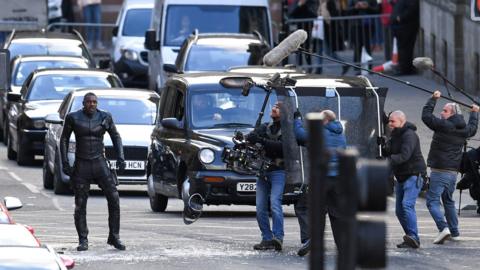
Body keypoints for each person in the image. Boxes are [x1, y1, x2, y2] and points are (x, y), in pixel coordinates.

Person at [60, 92, 126, 251]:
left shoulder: (105, 117)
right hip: (82, 164)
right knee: (80, 204)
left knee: (114, 198)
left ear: (97, 103)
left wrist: (121, 156)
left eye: (94, 102)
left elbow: (116, 136)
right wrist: (65, 162)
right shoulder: (73, 117)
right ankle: (83, 239)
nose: (92, 104)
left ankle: (114, 236)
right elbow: (63, 139)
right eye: (89, 102)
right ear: (83, 103)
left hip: (99, 162)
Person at [422, 90, 479, 244]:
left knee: (432, 201)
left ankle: (443, 227)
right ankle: (454, 232)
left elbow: (426, 117)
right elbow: (473, 128)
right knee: (448, 201)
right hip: (452, 173)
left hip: (440, 171)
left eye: (445, 110)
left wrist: (433, 99)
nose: (441, 113)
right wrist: (474, 113)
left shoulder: (443, 126)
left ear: (452, 114)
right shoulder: (464, 130)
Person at [293, 109, 347, 256]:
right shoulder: (341, 134)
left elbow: (300, 135)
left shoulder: (319, 133)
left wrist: (297, 119)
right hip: (339, 179)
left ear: (324, 121)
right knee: (336, 214)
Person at [246, 102, 286, 251]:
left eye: (278, 107)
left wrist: (261, 141)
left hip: (279, 171)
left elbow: (282, 148)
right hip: (263, 171)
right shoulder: (265, 126)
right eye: (273, 106)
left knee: (275, 203)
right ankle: (267, 238)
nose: (273, 108)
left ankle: (278, 238)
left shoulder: (288, 129)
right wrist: (251, 136)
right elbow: (251, 138)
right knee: (260, 208)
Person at [385, 111, 426, 248]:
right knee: (399, 210)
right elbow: (392, 151)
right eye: (389, 121)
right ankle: (411, 237)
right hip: (402, 176)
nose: (390, 124)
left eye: (393, 121)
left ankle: (414, 236)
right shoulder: (395, 134)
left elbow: (404, 155)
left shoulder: (409, 135)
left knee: (407, 205)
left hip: (413, 174)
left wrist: (387, 161)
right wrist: (385, 147)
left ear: (402, 121)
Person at [346, 0, 380, 73]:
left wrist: (368, 7)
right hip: (356, 26)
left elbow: (377, 10)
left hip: (368, 26)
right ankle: (357, 67)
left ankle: (369, 66)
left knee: (367, 46)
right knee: (357, 46)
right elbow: (347, 11)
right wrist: (356, 7)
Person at [390, 0, 419, 75]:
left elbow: (412, 9)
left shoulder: (411, 2)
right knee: (402, 48)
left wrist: (400, 17)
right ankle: (403, 67)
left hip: (406, 27)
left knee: (405, 49)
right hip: (400, 26)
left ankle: (405, 69)